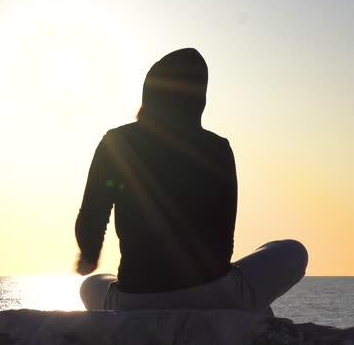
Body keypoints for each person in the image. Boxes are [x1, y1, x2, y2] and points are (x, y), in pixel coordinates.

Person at [75, 47, 308, 312]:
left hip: (134, 300)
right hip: (211, 296)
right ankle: (246, 312)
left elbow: (92, 216)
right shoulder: (217, 148)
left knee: (91, 285)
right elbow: (225, 234)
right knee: (294, 251)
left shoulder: (116, 143)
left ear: (149, 94)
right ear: (199, 99)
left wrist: (89, 255)